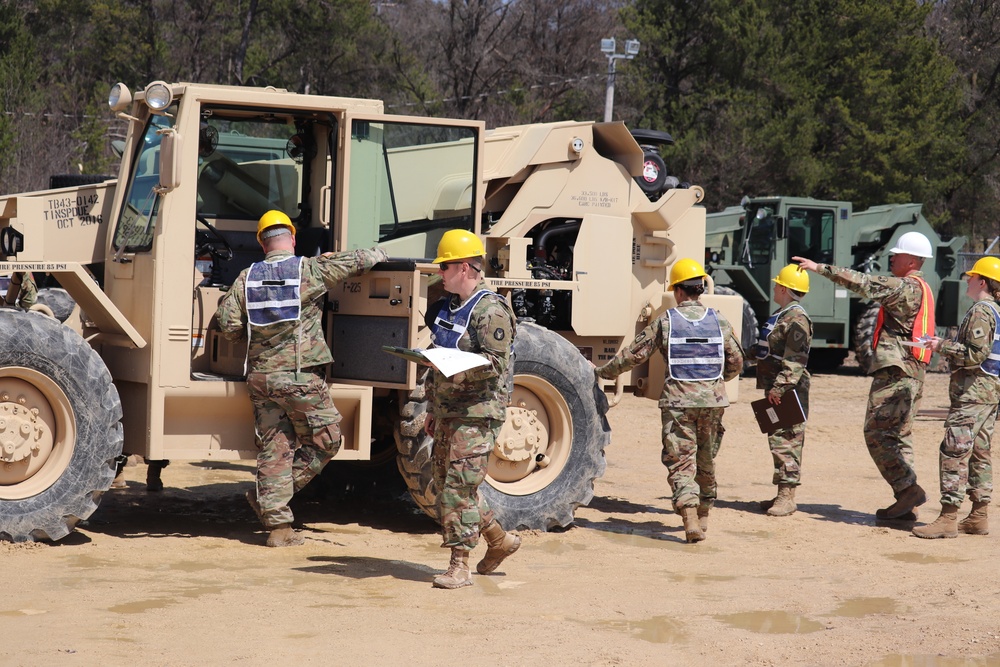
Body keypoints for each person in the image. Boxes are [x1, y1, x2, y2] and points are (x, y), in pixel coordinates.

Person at [216, 209, 387, 547]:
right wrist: (380, 253)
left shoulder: (246, 278)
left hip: (262, 378)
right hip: (299, 377)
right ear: (292, 238)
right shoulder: (308, 270)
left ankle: (278, 526)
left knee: (273, 447)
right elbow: (354, 261)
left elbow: (229, 325)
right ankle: (272, 500)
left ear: (262, 244)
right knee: (328, 440)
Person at [595, 258, 743, 543]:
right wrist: (714, 383)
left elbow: (634, 355)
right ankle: (703, 516)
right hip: (713, 402)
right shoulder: (719, 319)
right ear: (701, 288)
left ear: (677, 291)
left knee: (681, 462)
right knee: (706, 460)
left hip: (678, 403)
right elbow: (736, 361)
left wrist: (603, 371)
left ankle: (688, 516)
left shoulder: (667, 321)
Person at [794, 231, 936, 520]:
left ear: (912, 259)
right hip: (914, 372)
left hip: (896, 372)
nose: (891, 257)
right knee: (899, 436)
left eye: (897, 254)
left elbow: (864, 283)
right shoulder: (923, 287)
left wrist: (820, 268)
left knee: (876, 433)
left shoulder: (904, 287)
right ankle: (906, 499)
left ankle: (907, 489)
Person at [422, 229, 520, 589]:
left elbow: (496, 363)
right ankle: (499, 540)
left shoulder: (491, 311)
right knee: (446, 483)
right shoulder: (449, 306)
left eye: (445, 267)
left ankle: (458, 566)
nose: (440, 273)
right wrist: (433, 406)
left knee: (458, 490)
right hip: (448, 410)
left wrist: (453, 364)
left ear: (464, 268)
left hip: (478, 414)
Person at [913, 256, 1000, 538]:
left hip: (973, 393)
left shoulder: (981, 312)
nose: (967, 280)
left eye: (972, 277)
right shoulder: (996, 311)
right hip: (989, 393)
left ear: (982, 282)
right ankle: (978, 515)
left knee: (954, 451)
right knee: (979, 452)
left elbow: (975, 354)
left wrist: (941, 345)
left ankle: (949, 518)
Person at [754, 264, 812, 517]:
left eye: (778, 285)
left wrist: (780, 387)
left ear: (786, 289)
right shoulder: (782, 314)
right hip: (775, 388)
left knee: (787, 440)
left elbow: (796, 359)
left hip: (787, 390)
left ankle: (787, 496)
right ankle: (782, 492)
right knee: (777, 439)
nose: (774, 288)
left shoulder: (797, 318)